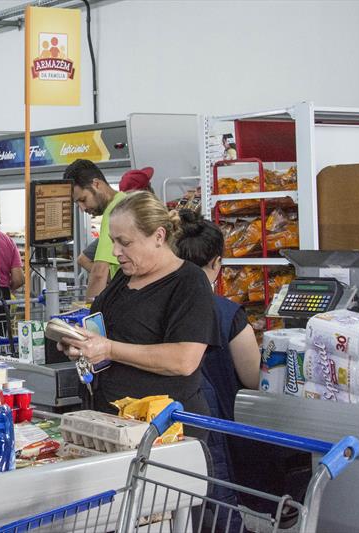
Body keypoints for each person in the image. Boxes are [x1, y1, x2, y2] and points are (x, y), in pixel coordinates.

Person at [57, 191, 220, 432]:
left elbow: (183, 360)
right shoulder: (124, 279)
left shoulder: (189, 283)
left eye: (125, 242)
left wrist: (109, 348)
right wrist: (82, 344)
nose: (115, 251)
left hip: (164, 430)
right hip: (113, 422)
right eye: (113, 241)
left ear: (158, 236)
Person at [175, 210, 260, 529]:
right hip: (225, 432)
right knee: (224, 512)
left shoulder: (167, 307)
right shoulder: (227, 313)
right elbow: (253, 379)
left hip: (178, 431)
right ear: (216, 263)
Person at [65, 160, 125, 299]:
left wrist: (88, 315)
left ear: (96, 184)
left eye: (83, 200)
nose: (82, 208)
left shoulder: (114, 211)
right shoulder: (124, 201)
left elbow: (99, 273)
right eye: (77, 203)